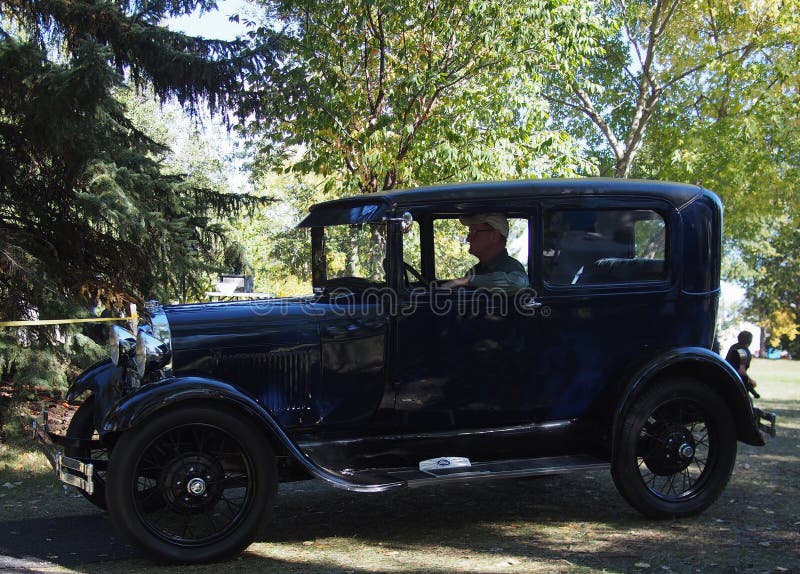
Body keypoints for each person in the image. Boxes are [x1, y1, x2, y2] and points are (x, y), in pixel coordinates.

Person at [441, 213, 529, 292]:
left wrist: (467, 281)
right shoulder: (475, 271)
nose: (468, 238)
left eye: (473, 232)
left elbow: (519, 283)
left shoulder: (510, 266)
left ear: (494, 236)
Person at [725, 330, 759, 398]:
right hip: (736, 382)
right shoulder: (743, 352)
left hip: (726, 378)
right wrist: (751, 380)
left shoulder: (733, 347)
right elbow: (741, 370)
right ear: (750, 341)